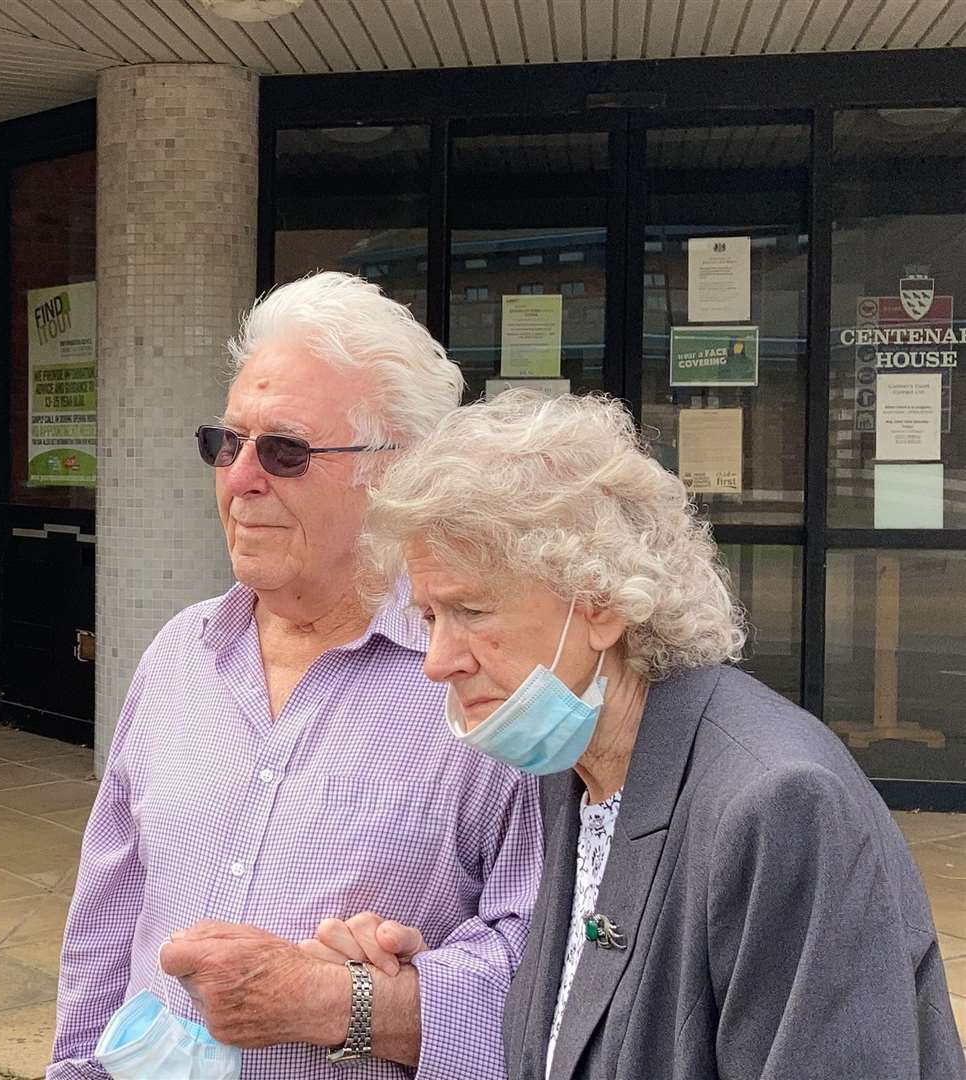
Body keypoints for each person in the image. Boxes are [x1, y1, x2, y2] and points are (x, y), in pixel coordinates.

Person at [320, 389, 963, 1079]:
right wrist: (412, 985)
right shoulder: (578, 772)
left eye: (471, 610)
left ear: (601, 604)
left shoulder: (778, 803)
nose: (439, 661)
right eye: (429, 619)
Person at [49, 271, 543, 1079]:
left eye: (285, 450)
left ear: (400, 473)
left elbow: (546, 978)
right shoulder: (180, 654)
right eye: (226, 443)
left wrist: (332, 1002)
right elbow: (106, 924)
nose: (241, 478)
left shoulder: (476, 684)